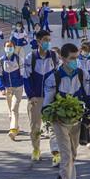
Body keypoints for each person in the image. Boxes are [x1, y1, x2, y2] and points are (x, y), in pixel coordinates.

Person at [43, 43, 90, 179]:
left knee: (73, 152)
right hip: (60, 121)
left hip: (77, 120)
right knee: (66, 155)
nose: (75, 61)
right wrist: (51, 115)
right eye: (71, 58)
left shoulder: (82, 75)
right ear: (63, 59)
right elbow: (47, 103)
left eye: (76, 58)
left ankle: (63, 176)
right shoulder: (53, 78)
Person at [24, 29, 59, 162]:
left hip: (51, 98)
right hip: (36, 98)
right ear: (38, 41)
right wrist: (31, 95)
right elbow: (26, 78)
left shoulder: (54, 57)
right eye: (45, 40)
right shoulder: (30, 58)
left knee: (53, 126)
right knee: (35, 126)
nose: (48, 43)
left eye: (49, 40)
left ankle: (55, 153)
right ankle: (36, 149)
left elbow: (59, 75)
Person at [0, 41, 25, 141]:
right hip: (8, 88)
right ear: (4, 48)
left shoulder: (18, 59)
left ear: (14, 47)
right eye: (7, 46)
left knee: (14, 108)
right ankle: (16, 127)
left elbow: (23, 73)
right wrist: (1, 88)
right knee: (10, 110)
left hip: (18, 88)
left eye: (11, 46)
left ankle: (12, 130)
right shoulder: (1, 60)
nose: (9, 48)